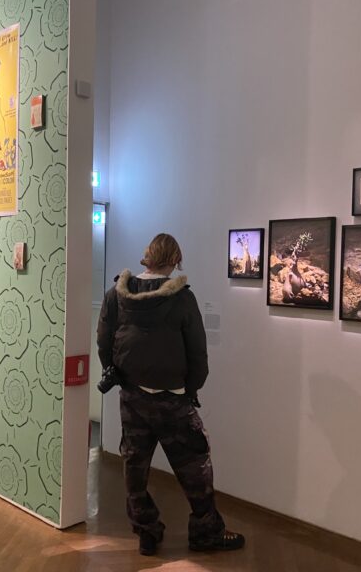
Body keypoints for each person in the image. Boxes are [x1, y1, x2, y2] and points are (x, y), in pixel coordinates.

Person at [97, 233, 245, 556]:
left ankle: (147, 532)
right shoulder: (181, 299)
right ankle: (206, 533)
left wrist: (117, 373)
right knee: (195, 467)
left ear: (146, 257)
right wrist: (191, 389)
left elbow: (103, 341)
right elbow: (198, 354)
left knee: (134, 470)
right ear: (175, 260)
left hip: (131, 398)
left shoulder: (115, 296)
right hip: (173, 399)